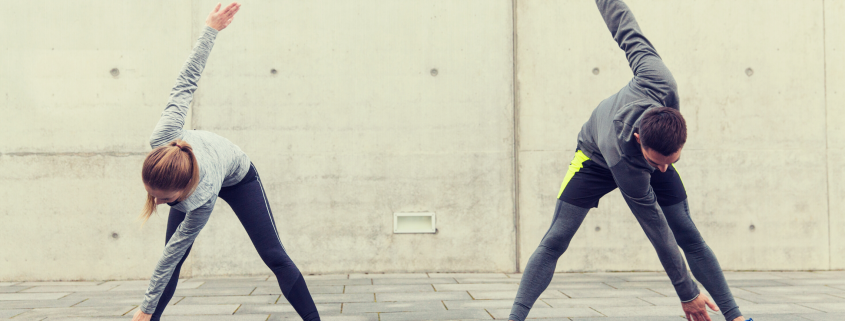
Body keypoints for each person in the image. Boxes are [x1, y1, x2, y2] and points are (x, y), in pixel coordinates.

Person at [508, 1, 750, 321]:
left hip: (642, 149)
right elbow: (657, 232)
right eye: (658, 163)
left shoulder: (659, 80)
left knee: (688, 233)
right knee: (555, 239)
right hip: (594, 157)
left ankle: (735, 317)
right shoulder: (626, 160)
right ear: (640, 140)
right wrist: (687, 293)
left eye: (672, 160)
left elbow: (625, 27)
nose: (663, 169)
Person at [131, 3, 320, 321]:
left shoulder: (199, 199)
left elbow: (174, 251)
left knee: (274, 255)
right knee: (173, 261)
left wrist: (143, 308)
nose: (158, 203)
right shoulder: (164, 135)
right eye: (153, 194)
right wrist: (210, 29)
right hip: (197, 170)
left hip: (237, 175)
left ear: (184, 190)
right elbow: (186, 81)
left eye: (166, 199)